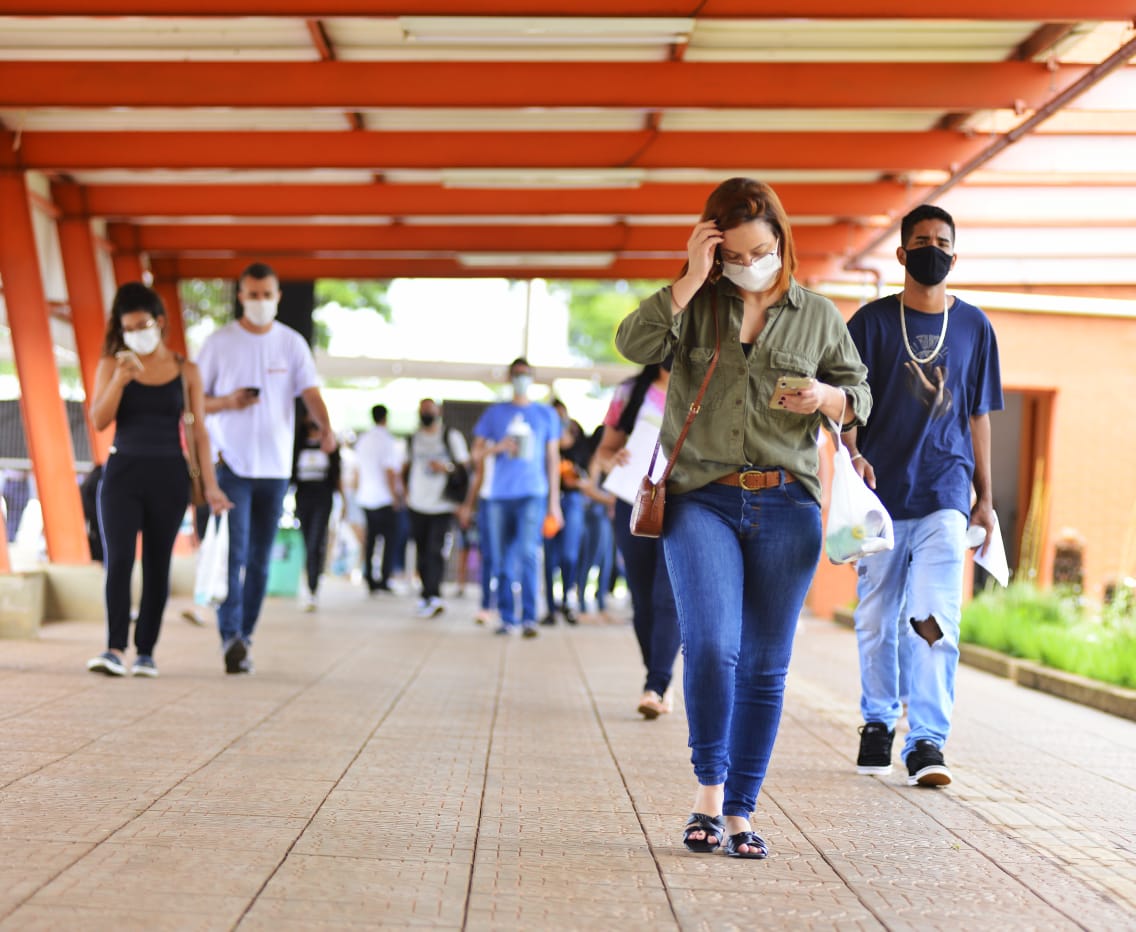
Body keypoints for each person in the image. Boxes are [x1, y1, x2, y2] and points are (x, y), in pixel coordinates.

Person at [615, 177, 871, 859]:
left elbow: (861, 394)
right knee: (709, 646)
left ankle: (740, 811)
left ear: (782, 240)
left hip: (788, 504)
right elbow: (632, 344)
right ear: (713, 249)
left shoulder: (818, 315)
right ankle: (707, 791)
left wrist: (826, 398)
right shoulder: (695, 304)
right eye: (733, 255)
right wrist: (690, 277)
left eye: (759, 251)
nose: (749, 264)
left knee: (763, 664)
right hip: (700, 498)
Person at [843, 204, 1002, 788]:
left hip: (945, 495)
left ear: (953, 257)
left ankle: (927, 740)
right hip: (876, 498)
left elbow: (979, 415)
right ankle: (878, 721)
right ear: (902, 253)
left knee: (933, 617)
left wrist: (985, 497)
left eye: (941, 242)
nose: (931, 249)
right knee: (876, 618)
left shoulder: (975, 327)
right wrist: (852, 455)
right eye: (921, 241)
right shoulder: (870, 323)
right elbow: (845, 406)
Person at [197, 262, 335, 674]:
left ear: (278, 297)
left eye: (267, 295)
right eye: (252, 295)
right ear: (240, 296)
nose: (260, 302)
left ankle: (245, 637)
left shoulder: (291, 343)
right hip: (231, 467)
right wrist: (229, 402)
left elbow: (310, 391)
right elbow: (194, 402)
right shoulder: (219, 343)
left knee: (260, 560)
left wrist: (326, 428)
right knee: (234, 554)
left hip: (275, 471)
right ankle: (229, 636)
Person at [86, 282, 230, 678]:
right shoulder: (112, 364)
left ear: (160, 322)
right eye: (128, 328)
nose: (136, 334)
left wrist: (212, 486)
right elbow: (99, 420)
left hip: (169, 475)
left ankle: (146, 652)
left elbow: (200, 432)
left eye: (142, 325)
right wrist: (120, 379)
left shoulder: (186, 370)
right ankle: (114, 648)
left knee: (157, 563)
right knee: (118, 560)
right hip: (122, 473)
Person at [593, 361, 681, 719]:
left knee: (667, 597)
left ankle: (656, 684)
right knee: (643, 599)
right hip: (635, 504)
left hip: (685, 505)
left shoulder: (705, 384)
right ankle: (657, 678)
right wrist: (613, 458)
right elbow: (602, 453)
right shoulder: (630, 392)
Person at [459, 358, 562, 638]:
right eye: (516, 374)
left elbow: (553, 460)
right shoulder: (494, 414)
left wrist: (554, 503)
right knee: (500, 557)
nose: (520, 378)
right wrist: (498, 447)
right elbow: (475, 454)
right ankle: (507, 617)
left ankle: (529, 617)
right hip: (498, 496)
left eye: (525, 374)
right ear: (509, 377)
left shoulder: (545, 414)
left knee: (528, 552)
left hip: (533, 493)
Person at [404, 398, 470, 618]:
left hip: (442, 504)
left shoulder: (450, 437)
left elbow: (464, 467)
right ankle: (425, 594)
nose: (426, 414)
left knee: (435, 550)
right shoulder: (413, 439)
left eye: (430, 410)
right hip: (417, 503)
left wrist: (446, 468)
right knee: (422, 552)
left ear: (438, 412)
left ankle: (434, 595)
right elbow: (405, 467)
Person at [540, 400, 589, 626]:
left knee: (570, 555)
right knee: (550, 558)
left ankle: (569, 598)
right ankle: (550, 608)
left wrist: (574, 477)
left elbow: (587, 475)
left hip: (572, 501)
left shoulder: (579, 442)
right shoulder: (543, 442)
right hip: (547, 502)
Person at [293, 410, 342, 612]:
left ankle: (313, 586)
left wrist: (343, 501)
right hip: (303, 496)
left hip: (323, 497)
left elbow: (337, 474)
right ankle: (310, 582)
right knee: (307, 541)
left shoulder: (329, 444)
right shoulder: (298, 443)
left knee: (316, 541)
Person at [354, 404, 404, 594]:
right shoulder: (387, 440)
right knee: (389, 540)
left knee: (371, 539)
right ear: (385, 418)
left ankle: (369, 577)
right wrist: (395, 496)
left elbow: (358, 470)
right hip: (383, 497)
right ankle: (384, 578)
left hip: (366, 496)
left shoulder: (363, 440)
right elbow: (389, 471)